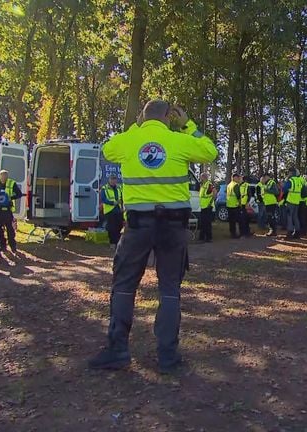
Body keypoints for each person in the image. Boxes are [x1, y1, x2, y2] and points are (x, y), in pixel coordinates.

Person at [89, 101, 217, 372]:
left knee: (124, 285)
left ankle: (117, 350)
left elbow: (107, 150)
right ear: (170, 117)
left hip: (137, 226)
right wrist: (188, 125)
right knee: (170, 288)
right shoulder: (179, 140)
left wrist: (137, 126)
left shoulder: (129, 140)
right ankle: (168, 358)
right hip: (173, 227)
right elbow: (210, 151)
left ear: (142, 117)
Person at [0, 169, 23, 253]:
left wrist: (10, 198)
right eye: (2, 176)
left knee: (10, 229)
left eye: (5, 176)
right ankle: (2, 245)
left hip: (7, 210)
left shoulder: (11, 183)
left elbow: (19, 194)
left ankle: (13, 246)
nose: (4, 178)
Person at [100, 174, 124, 249]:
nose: (113, 181)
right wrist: (113, 203)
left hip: (118, 210)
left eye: (114, 179)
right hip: (109, 211)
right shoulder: (104, 188)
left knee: (119, 226)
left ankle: (117, 242)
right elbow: (104, 199)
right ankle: (112, 243)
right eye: (112, 179)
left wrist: (122, 206)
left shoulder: (119, 188)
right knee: (112, 227)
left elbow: (122, 197)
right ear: (109, 180)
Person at [282, 167, 305, 239]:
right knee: (295, 217)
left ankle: (290, 232)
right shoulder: (299, 180)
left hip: (290, 200)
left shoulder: (290, 180)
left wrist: (285, 183)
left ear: (291, 173)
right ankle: (297, 232)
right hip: (297, 201)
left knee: (289, 216)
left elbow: (284, 189)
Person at [198, 173, 215, 242]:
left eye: (201, 178)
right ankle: (202, 237)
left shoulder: (209, 184)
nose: (200, 179)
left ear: (204, 177)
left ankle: (208, 238)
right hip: (203, 206)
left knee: (207, 223)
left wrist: (210, 203)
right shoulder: (203, 185)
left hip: (208, 206)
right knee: (203, 223)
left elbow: (215, 192)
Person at [225, 174, 242, 238]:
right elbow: (238, 195)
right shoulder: (235, 185)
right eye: (238, 178)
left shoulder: (229, 185)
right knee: (238, 220)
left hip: (229, 205)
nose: (238, 179)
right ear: (235, 178)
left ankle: (232, 233)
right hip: (235, 205)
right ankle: (237, 234)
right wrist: (240, 202)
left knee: (231, 221)